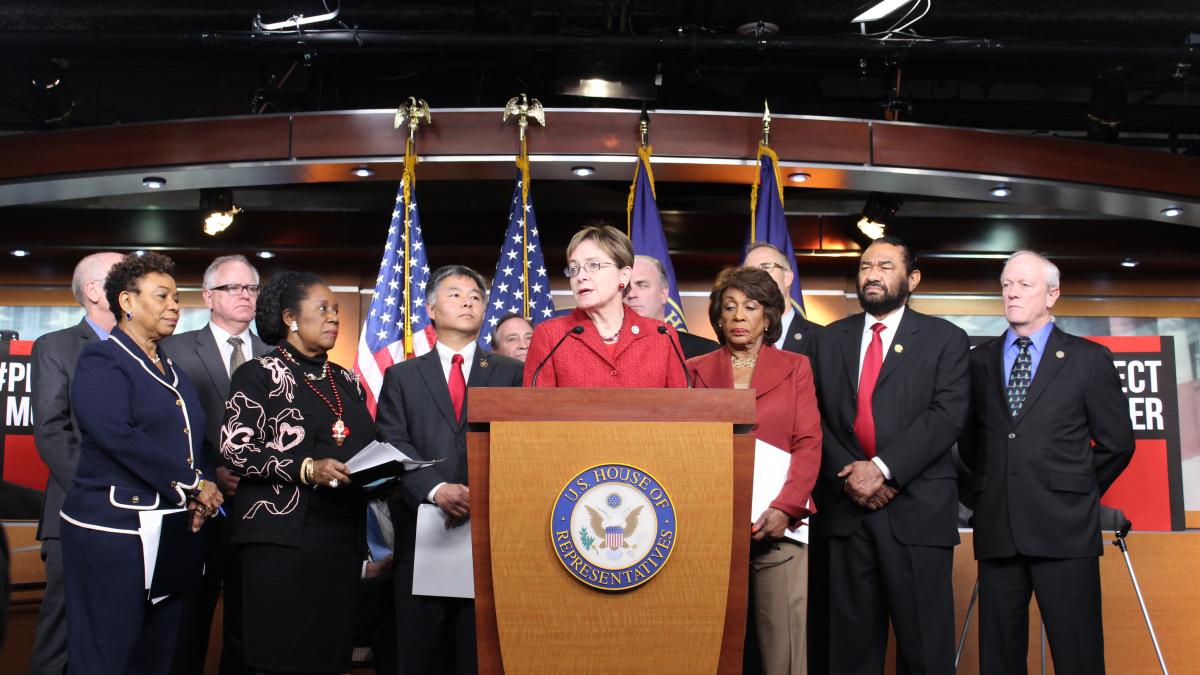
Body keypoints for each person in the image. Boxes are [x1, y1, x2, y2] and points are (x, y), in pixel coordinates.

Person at [960, 251, 1134, 675]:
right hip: (999, 530)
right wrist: (987, 492)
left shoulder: (1088, 359)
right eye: (1006, 285)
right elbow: (968, 445)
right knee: (998, 660)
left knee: (1078, 656)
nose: (1012, 293)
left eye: (1024, 285)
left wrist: (1073, 490)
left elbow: (1118, 443)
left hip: (1065, 532)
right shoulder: (978, 360)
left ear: (1052, 294)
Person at [807, 236, 969, 674]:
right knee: (848, 652)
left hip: (916, 513)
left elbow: (946, 417)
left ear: (912, 279)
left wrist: (881, 470)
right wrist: (850, 477)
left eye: (884, 266)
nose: (872, 275)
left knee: (924, 650)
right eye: (864, 267)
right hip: (846, 513)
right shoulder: (828, 340)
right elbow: (812, 417)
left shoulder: (946, 339)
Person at [59, 252, 223, 675]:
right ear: (127, 302)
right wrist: (191, 483)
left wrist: (202, 487)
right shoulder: (103, 360)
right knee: (107, 652)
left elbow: (193, 440)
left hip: (168, 529)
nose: (174, 305)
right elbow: (118, 435)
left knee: (157, 651)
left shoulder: (172, 368)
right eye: (162, 296)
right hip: (112, 529)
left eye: (176, 297)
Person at [220, 271, 373, 675]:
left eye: (336, 311)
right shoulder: (257, 374)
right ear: (290, 317)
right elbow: (236, 449)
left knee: (329, 653)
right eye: (322, 309)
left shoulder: (347, 381)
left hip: (340, 539)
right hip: (280, 539)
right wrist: (307, 468)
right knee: (280, 655)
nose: (333, 319)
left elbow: (364, 447)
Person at [375, 264, 524, 675]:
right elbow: (392, 443)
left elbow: (521, 443)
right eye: (456, 293)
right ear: (431, 309)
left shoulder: (511, 373)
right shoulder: (402, 376)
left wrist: (483, 492)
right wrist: (436, 488)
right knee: (420, 656)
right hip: (421, 535)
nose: (469, 301)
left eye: (476, 295)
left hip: (491, 534)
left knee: (479, 657)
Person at [686, 267, 821, 675]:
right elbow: (684, 449)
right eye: (729, 307)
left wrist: (786, 507)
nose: (739, 315)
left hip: (778, 527)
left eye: (751, 306)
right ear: (718, 318)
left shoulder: (796, 366)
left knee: (785, 651)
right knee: (709, 649)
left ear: (769, 317)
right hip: (711, 530)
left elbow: (808, 443)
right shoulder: (694, 369)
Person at [162, 254, 268, 675]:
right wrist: (208, 477)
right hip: (194, 510)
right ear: (208, 296)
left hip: (256, 512)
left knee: (248, 631)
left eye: (251, 288)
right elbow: (167, 431)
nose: (244, 295)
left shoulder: (274, 355)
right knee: (187, 627)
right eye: (232, 288)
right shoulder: (174, 349)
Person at [29, 250, 123, 675]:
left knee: (118, 638)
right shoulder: (56, 346)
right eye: (124, 276)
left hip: (134, 522)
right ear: (93, 291)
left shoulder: (144, 349)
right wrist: (98, 492)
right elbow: (51, 432)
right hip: (74, 515)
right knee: (60, 640)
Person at [523, 224, 688, 388]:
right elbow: (534, 410)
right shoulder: (551, 336)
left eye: (593, 265)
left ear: (623, 276)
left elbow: (682, 409)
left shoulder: (662, 336)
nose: (580, 276)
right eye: (574, 268)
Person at [626, 254, 719, 360]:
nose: (631, 294)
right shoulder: (608, 350)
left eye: (642, 285)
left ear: (663, 293)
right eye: (625, 287)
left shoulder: (705, 352)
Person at [743, 242, 822, 355]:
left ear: (787, 278)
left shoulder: (822, 338)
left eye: (766, 267)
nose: (756, 277)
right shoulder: (736, 341)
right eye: (749, 272)